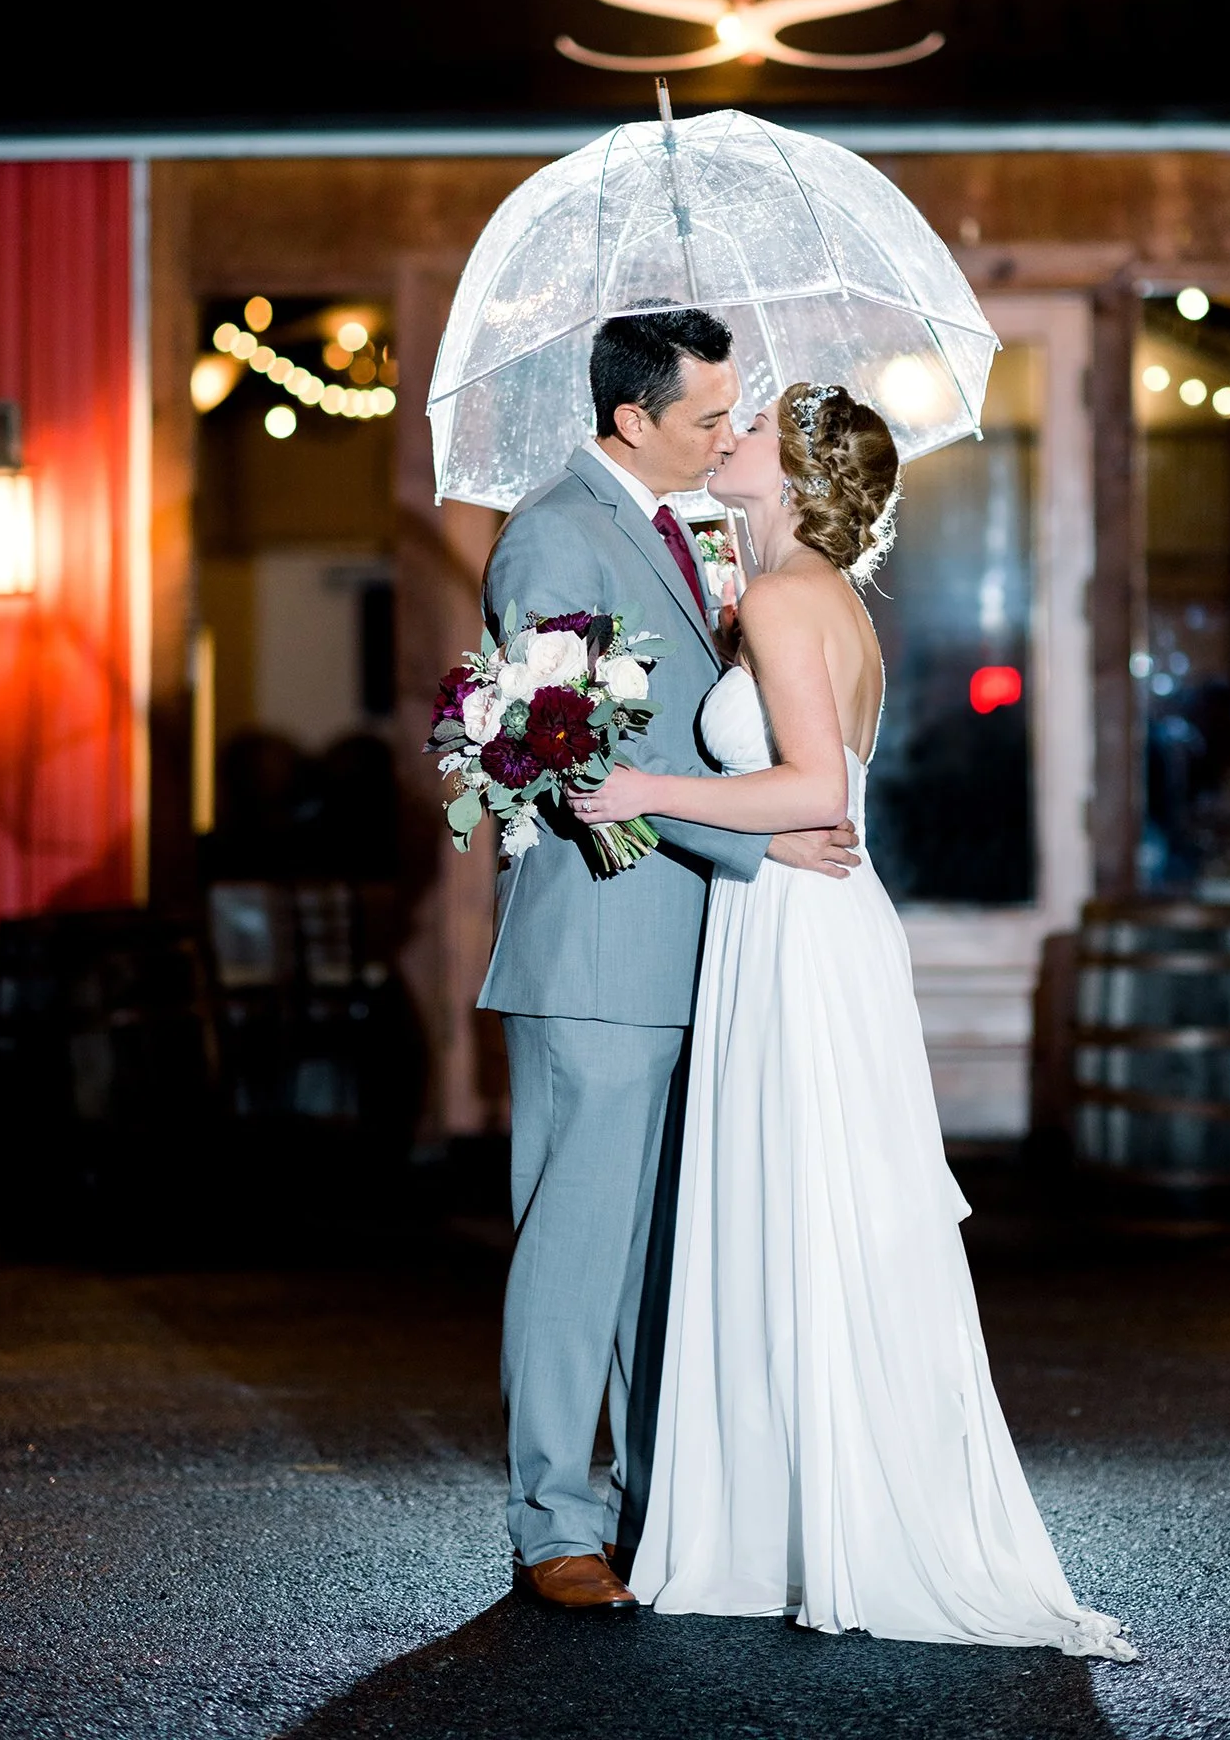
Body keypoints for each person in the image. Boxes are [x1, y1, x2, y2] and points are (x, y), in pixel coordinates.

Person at [576, 383, 1139, 1659]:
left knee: (805, 1204)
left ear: (797, 470)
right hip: (796, 915)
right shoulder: (799, 593)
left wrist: (637, 788)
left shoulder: (784, 601)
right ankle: (788, 1512)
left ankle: (803, 1521)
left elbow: (816, 785)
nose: (728, 436)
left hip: (801, 934)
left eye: (754, 428)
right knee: (801, 1207)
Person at [479, 309, 859, 1614]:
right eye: (707, 417)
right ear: (630, 418)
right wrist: (759, 850)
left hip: (696, 959)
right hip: (595, 955)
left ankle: (657, 1513)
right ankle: (549, 1528)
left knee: (660, 1260)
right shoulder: (549, 534)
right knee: (575, 1251)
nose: (724, 435)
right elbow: (569, 756)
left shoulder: (684, 528)